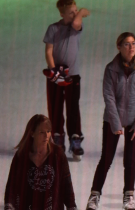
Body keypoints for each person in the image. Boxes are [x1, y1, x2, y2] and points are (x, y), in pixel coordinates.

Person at [86, 32, 135, 210]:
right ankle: (94, 196)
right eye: (126, 44)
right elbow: (108, 96)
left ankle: (129, 196)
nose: (131, 47)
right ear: (119, 47)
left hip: (134, 121)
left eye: (134, 43)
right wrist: (115, 123)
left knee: (130, 160)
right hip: (112, 120)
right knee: (106, 159)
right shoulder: (111, 69)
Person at [43, 0, 90, 159]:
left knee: (73, 108)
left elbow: (77, 22)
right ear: (61, 14)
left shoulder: (75, 28)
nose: (75, 14)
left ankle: (75, 139)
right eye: (71, 12)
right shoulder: (53, 29)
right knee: (55, 108)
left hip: (72, 75)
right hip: (55, 75)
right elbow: (49, 52)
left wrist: (81, 12)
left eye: (76, 11)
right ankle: (57, 138)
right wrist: (54, 71)